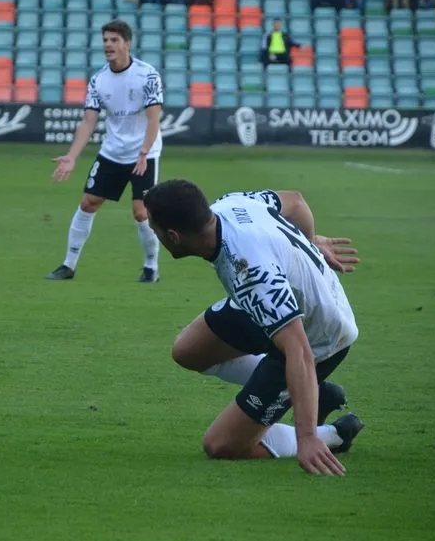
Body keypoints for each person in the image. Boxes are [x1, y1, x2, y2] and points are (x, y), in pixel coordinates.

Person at [142, 182, 364, 475]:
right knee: (189, 350)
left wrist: (307, 436)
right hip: (279, 301)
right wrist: (309, 243)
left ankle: (333, 434)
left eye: (154, 229)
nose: (154, 234)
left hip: (320, 336)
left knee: (221, 445)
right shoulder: (229, 204)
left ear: (174, 236)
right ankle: (312, 392)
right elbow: (295, 201)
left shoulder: (253, 277)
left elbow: (299, 350)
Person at [47, 19, 164, 283]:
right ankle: (68, 265)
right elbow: (88, 121)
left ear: (127, 44)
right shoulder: (98, 80)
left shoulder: (147, 75)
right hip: (113, 152)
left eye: (114, 40)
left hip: (144, 153)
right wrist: (72, 156)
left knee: (141, 212)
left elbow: (153, 119)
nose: (108, 45)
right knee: (88, 202)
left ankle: (151, 268)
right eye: (105, 40)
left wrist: (144, 152)